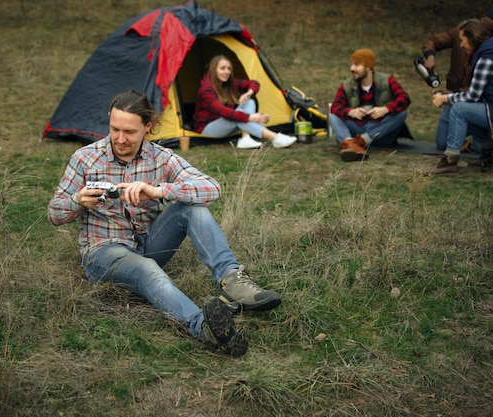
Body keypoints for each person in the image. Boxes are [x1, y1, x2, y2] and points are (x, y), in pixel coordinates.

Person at [48, 90, 282, 357]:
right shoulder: (85, 158)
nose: (121, 139)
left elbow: (212, 188)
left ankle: (233, 283)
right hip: (103, 252)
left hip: (150, 244)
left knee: (191, 208)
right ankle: (205, 327)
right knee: (147, 269)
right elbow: (54, 213)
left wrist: (158, 191)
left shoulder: (161, 157)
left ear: (148, 128)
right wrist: (78, 200)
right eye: (115, 129)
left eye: (130, 132)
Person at [422, 8, 493, 154]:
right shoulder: (462, 31)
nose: (461, 44)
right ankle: (461, 140)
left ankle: (451, 159)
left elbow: (476, 92)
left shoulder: (487, 53)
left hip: (474, 100)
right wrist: (430, 56)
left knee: (461, 111)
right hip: (457, 95)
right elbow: (433, 40)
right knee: (442, 142)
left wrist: (448, 96)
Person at [193, 55, 297, 149]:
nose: (227, 72)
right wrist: (252, 118)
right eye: (222, 68)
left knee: (249, 102)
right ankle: (274, 137)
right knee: (235, 117)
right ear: (213, 70)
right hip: (207, 130)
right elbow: (223, 112)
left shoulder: (228, 84)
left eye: (229, 69)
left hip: (226, 124)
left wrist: (248, 93)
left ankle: (245, 137)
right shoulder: (206, 90)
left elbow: (254, 83)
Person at [328, 48, 411, 162]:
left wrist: (386, 109)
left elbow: (405, 99)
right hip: (358, 128)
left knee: (402, 113)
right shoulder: (347, 85)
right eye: (352, 65)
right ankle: (350, 144)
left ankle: (359, 143)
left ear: (368, 66)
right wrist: (350, 112)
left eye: (357, 65)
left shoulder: (386, 80)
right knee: (333, 117)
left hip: (381, 131)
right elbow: (335, 106)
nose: (352, 69)